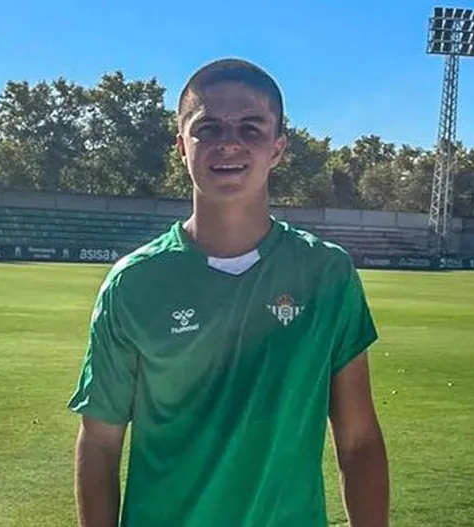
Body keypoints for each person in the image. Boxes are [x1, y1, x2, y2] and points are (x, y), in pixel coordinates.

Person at [67, 58, 389, 527]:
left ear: (277, 148)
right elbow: (99, 443)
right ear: (182, 146)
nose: (230, 142)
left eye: (251, 128)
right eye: (208, 128)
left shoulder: (326, 275)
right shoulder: (133, 283)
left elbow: (358, 440)